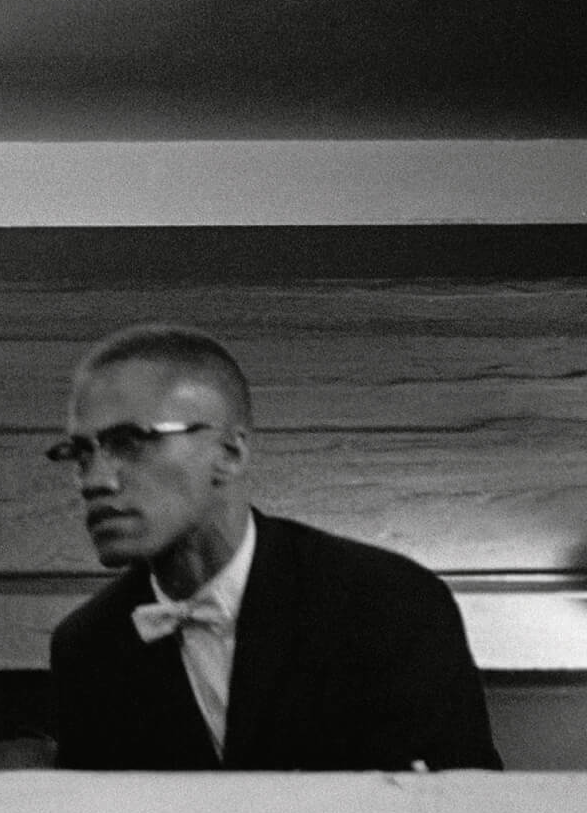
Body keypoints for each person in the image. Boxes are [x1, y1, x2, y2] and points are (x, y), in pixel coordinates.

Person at [46, 324, 500, 772]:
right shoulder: (88, 647)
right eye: (81, 453)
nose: (95, 480)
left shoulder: (387, 603)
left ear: (231, 452)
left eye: (129, 442)